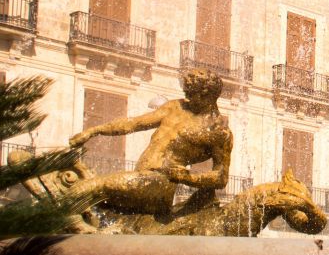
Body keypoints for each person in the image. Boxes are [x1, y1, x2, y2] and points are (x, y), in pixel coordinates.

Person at [68, 69, 233, 215]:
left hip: (160, 184)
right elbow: (134, 123)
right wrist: (93, 131)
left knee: (90, 187)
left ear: (207, 96)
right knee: (90, 206)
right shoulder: (175, 107)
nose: (187, 97)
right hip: (140, 178)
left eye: (191, 93)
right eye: (186, 92)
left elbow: (220, 177)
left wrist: (187, 177)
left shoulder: (218, 131)